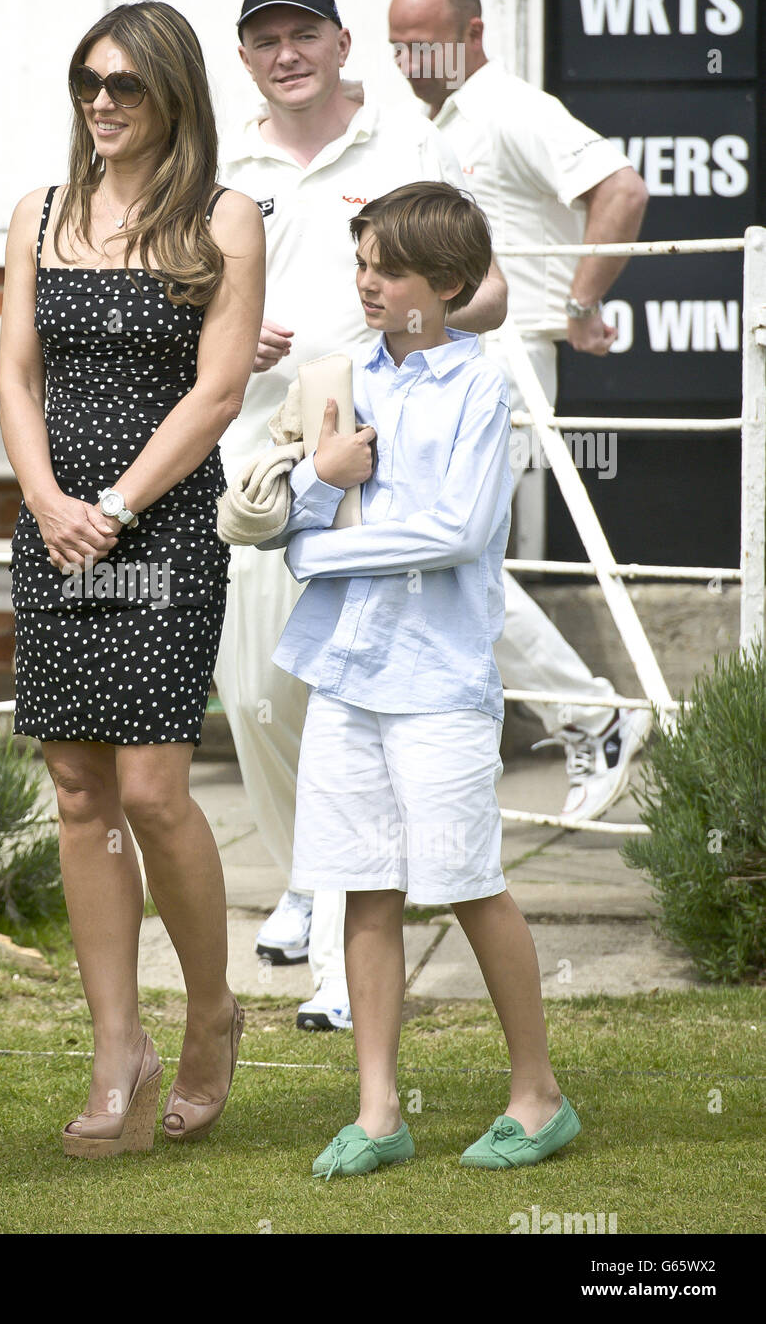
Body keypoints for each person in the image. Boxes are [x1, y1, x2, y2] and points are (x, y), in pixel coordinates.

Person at [264, 181, 578, 1177]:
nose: (366, 282)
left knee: (472, 883)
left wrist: (318, 552)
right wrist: (323, 479)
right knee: (363, 885)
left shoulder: (484, 383)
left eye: (386, 269)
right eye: (360, 263)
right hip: (345, 672)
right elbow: (293, 512)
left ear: (444, 285)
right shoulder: (335, 373)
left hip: (439, 680)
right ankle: (378, 1108)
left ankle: (539, 1095)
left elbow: (457, 533)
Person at [216, 0, 508, 1032]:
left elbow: (487, 288)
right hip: (267, 461)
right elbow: (185, 297)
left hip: (393, 450)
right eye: (264, 40)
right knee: (256, 701)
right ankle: (310, 873)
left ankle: (342, 948)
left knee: (367, 704)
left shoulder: (407, 145)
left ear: (343, 41)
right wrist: (228, 340)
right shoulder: (221, 164)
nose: (285, 53)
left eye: (304, 34)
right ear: (244, 55)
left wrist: (397, 349)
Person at [0, 0, 264, 1155]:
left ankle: (209, 1013)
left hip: (160, 528)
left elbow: (217, 393)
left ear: (173, 97)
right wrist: (52, 502)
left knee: (153, 788)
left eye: (125, 85)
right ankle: (119, 1049)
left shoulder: (225, 218)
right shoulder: (38, 214)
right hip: (55, 527)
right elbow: (12, 378)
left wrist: (113, 506)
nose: (101, 102)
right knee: (76, 792)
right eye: (87, 82)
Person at [388, 0, 652, 823]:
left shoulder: (509, 106)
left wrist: (582, 302)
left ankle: (595, 716)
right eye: (398, 46)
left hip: (505, 367)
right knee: (435, 560)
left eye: (424, 43)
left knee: (449, 561)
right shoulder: (440, 122)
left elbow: (621, 187)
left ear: (472, 33)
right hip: (452, 362)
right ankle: (564, 724)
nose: (411, 62)